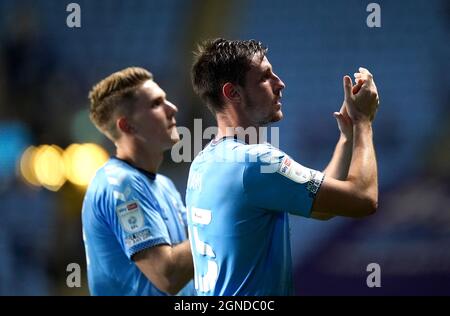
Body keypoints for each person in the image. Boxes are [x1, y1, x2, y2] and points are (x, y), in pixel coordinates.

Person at [186, 38, 379, 295]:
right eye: (265, 77)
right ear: (233, 93)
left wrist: (347, 137)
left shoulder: (204, 161)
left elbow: (321, 208)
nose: (280, 83)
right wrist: (364, 122)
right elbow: (363, 199)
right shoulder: (256, 163)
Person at [82, 67, 194, 296]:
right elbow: (168, 275)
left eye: (166, 100)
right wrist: (226, 220)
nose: (172, 108)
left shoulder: (164, 185)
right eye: (156, 104)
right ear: (127, 126)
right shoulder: (121, 184)